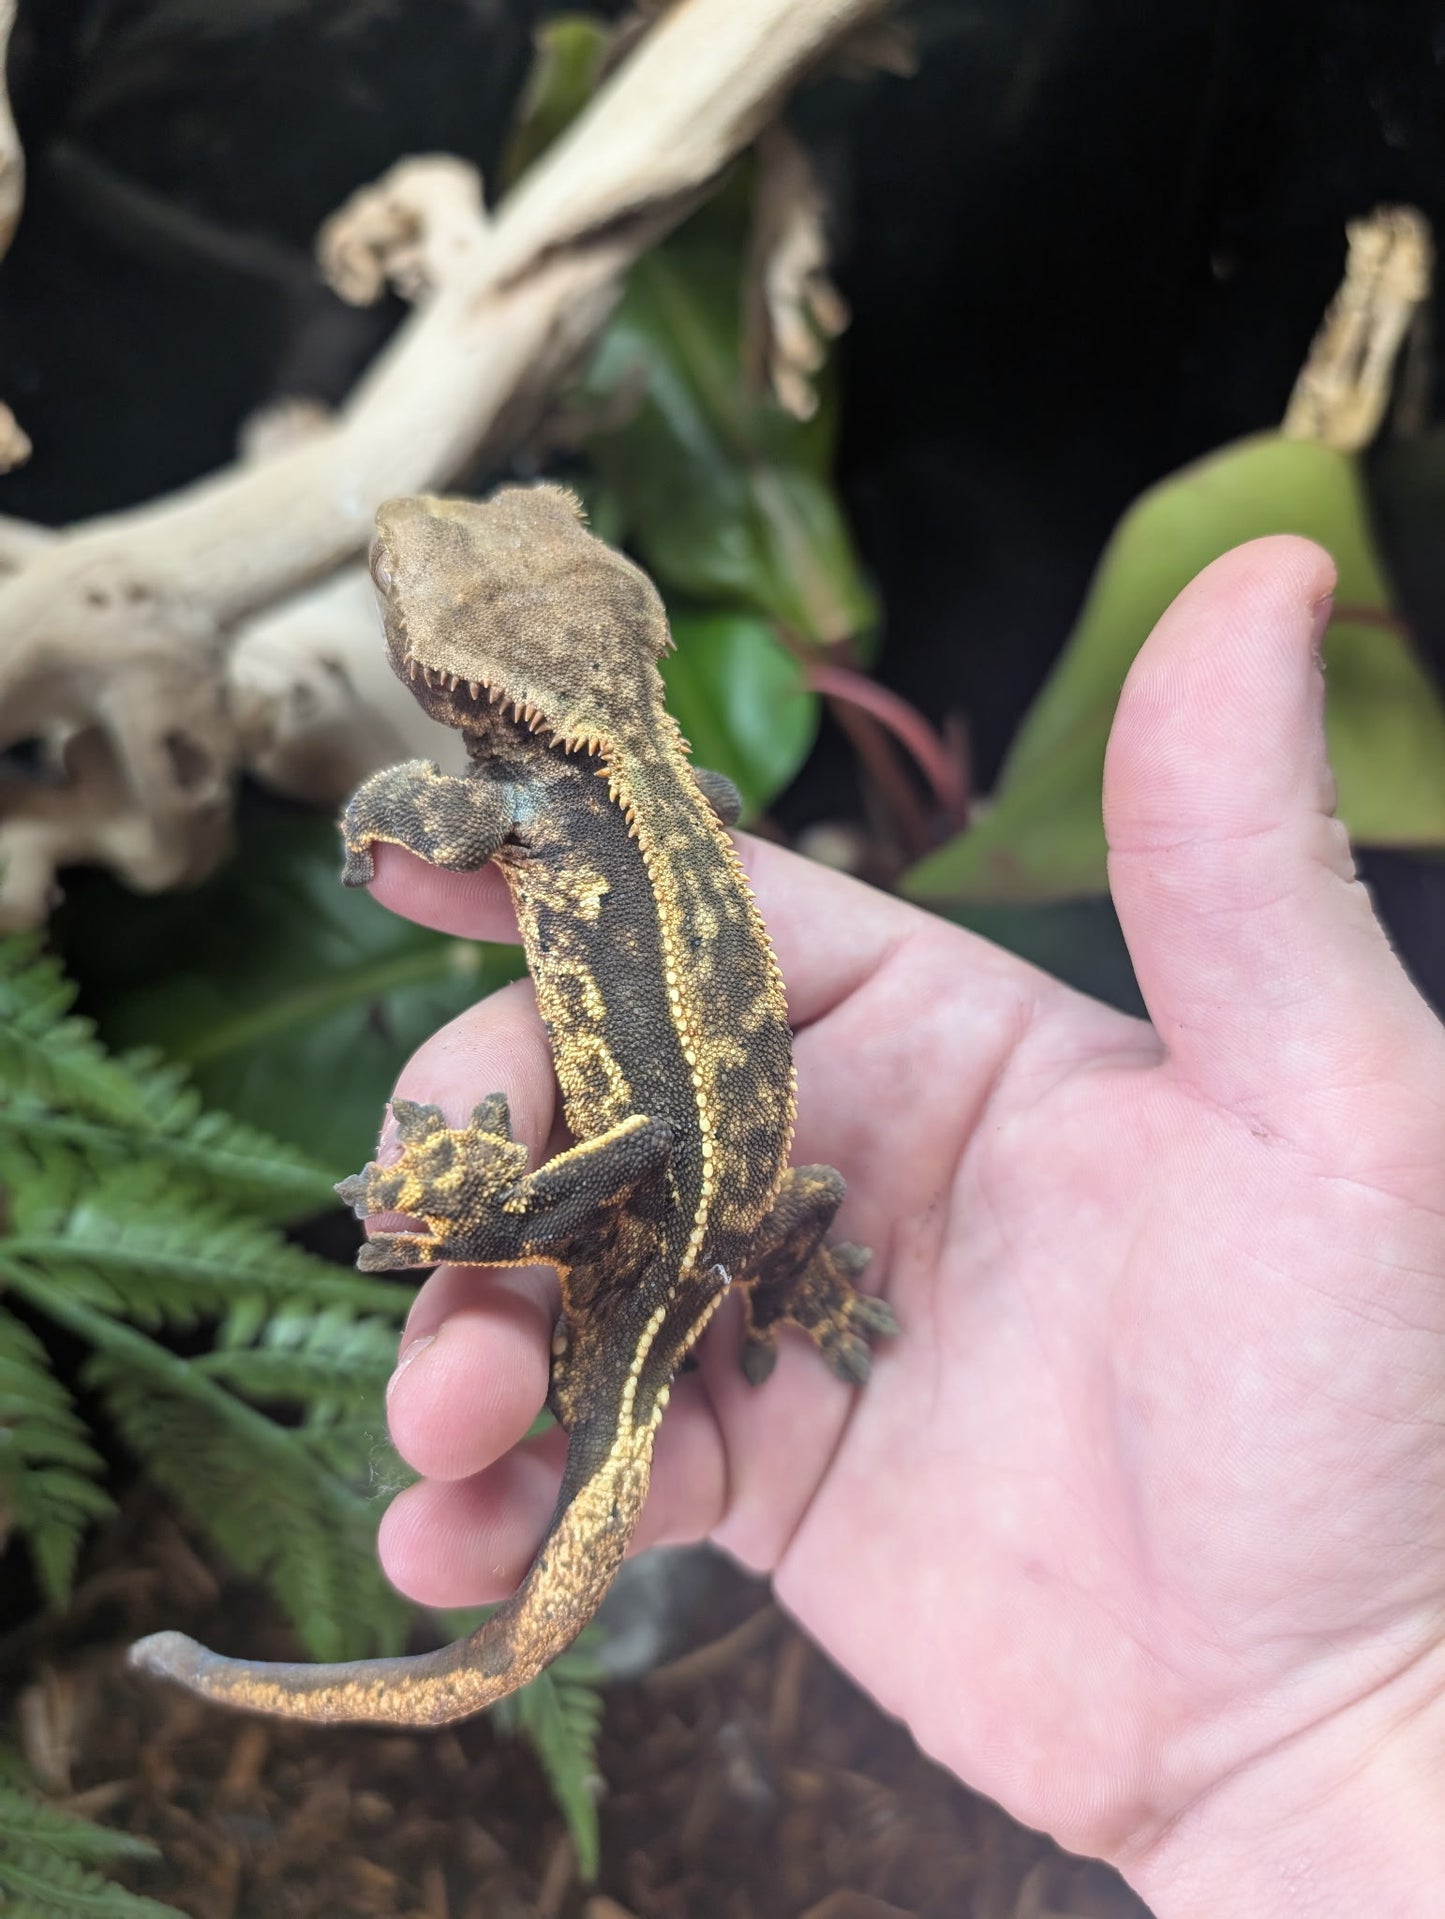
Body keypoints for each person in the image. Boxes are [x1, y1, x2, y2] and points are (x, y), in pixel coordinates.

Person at [362, 537, 1445, 1916]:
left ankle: (473, 1215)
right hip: (740, 1201)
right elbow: (710, 794)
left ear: (464, 687)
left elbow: (437, 823)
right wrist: (1322, 1745)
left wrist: (384, 803)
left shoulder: (536, 800)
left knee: (642, 1209)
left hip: (683, 1181)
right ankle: (755, 1279)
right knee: (709, 1222)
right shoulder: (674, 796)